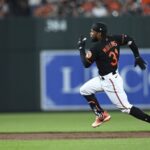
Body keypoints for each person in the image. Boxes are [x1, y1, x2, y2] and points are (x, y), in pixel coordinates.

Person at [77, 22, 150, 128]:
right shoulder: (114, 38)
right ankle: (101, 115)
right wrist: (137, 56)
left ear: (99, 33)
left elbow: (86, 64)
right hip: (104, 78)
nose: (91, 33)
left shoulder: (96, 48)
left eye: (93, 31)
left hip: (111, 81)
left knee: (126, 108)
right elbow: (129, 40)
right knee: (84, 90)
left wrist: (81, 48)